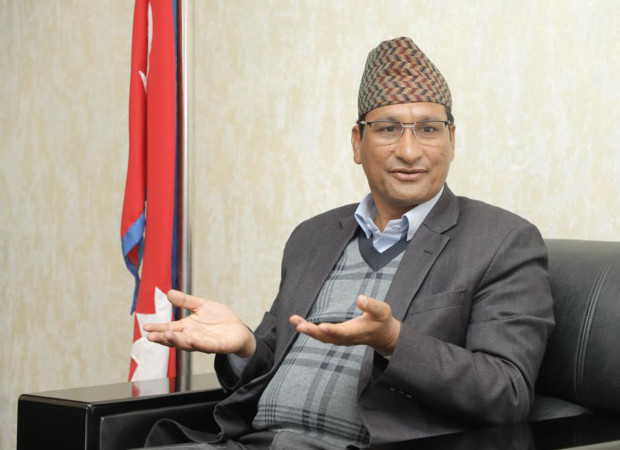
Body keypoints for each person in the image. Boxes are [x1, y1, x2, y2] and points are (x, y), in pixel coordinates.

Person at [144, 36, 555, 449]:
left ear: (452, 141)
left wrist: (394, 340)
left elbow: (508, 394)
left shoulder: (502, 241)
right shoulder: (313, 236)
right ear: (358, 143)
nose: (409, 151)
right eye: (388, 129)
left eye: (428, 129)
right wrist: (246, 346)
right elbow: (272, 363)